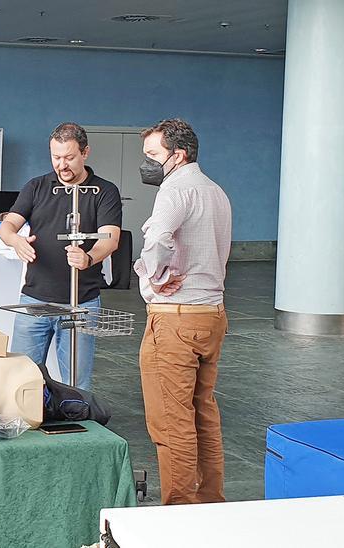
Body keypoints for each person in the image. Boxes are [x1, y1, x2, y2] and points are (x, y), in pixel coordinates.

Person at [134, 119, 232, 505]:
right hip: (211, 315)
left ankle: (179, 512)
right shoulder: (215, 191)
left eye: (153, 156)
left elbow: (157, 239)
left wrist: (152, 277)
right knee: (203, 413)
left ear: (179, 155)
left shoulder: (175, 190)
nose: (148, 164)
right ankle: (209, 501)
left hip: (175, 317)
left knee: (171, 420)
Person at [0, 122, 122, 391]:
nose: (62, 165)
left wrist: (88, 257)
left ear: (85, 153)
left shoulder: (104, 191)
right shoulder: (37, 187)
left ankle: (78, 426)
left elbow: (110, 239)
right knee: (20, 377)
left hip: (81, 303)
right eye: (56, 157)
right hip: (34, 300)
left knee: (77, 383)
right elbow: (6, 227)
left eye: (69, 157)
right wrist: (15, 240)